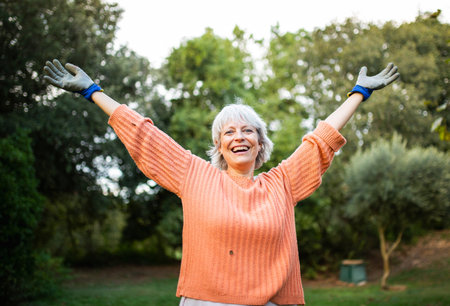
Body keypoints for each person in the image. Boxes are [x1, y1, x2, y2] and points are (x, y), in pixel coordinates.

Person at [43, 59, 399, 306]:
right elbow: (145, 135)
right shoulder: (194, 174)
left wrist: (358, 93)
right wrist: (92, 91)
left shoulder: (282, 183)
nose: (239, 136)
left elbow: (321, 138)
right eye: (229, 131)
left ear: (260, 143)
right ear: (219, 145)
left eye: (248, 131)